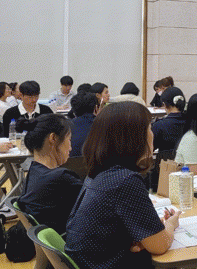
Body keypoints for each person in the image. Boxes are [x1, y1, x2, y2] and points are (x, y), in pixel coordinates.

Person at [65, 102, 181, 268]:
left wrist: (138, 238)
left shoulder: (99, 173)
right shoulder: (125, 180)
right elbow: (160, 246)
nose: (152, 134)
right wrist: (171, 225)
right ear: (133, 138)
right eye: (149, 128)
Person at [16, 114, 82, 234]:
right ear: (53, 138)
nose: (71, 148)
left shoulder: (33, 172)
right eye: (69, 140)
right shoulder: (61, 178)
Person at [151, 87, 188, 152]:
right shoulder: (192, 122)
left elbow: (151, 148)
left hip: (165, 158)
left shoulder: (159, 125)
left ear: (164, 105)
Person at [70, 92, 99, 157]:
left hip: (70, 162)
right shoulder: (103, 125)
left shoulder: (65, 128)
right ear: (95, 108)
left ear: (73, 111)